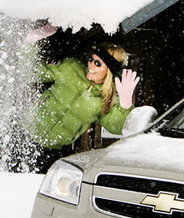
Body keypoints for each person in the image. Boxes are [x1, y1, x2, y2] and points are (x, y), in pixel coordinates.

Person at [26, 41, 140, 169]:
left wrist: (125, 104)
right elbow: (32, 72)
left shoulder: (106, 98)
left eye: (97, 63)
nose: (90, 65)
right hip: (25, 135)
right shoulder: (71, 68)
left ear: (109, 70)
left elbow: (116, 126)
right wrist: (29, 43)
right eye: (91, 59)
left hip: (53, 150)